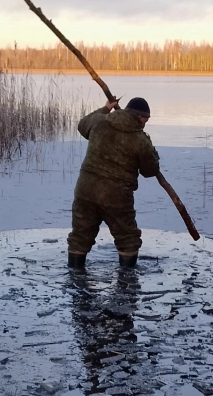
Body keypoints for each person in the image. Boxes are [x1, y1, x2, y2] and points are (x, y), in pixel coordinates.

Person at [66, 97, 160, 269]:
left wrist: (105, 108)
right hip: (116, 196)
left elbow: (82, 125)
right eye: (145, 120)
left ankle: (75, 278)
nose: (145, 124)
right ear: (139, 117)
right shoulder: (140, 140)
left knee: (80, 236)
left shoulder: (100, 121)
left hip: (85, 190)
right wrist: (152, 152)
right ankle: (127, 283)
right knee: (127, 239)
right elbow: (150, 171)